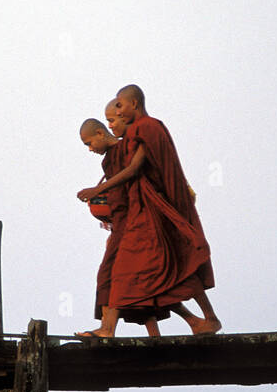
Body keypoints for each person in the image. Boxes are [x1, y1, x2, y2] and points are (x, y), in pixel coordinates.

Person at [78, 84, 221, 335]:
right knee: (129, 276)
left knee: (152, 270)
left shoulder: (147, 128)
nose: (116, 118)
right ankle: (188, 323)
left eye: (118, 109)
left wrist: (96, 191)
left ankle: (208, 318)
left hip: (150, 212)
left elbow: (135, 170)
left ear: (133, 104)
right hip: (131, 218)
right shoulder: (123, 144)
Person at [76, 107, 169, 337]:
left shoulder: (126, 149)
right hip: (120, 222)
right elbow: (117, 191)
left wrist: (97, 189)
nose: (90, 149)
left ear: (100, 133)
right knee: (132, 277)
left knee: (116, 273)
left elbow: (133, 177)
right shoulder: (107, 161)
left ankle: (108, 329)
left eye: (89, 143)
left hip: (135, 220)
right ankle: (154, 334)